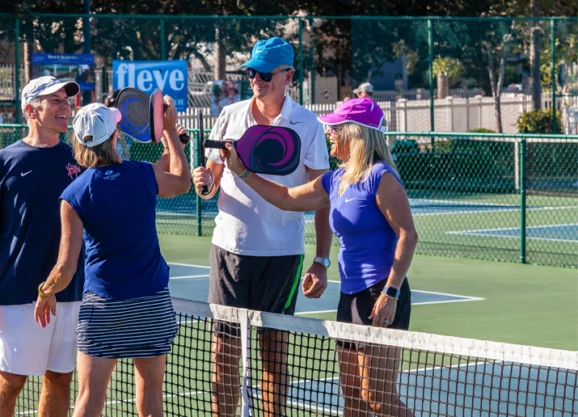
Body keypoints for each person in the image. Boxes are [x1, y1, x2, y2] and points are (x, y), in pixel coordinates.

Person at [223, 97, 417, 417]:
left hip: (381, 293)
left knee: (377, 397)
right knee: (353, 399)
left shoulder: (382, 178)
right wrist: (242, 172)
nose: (329, 133)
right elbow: (285, 198)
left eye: (334, 128)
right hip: (351, 296)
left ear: (355, 133)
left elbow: (408, 235)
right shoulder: (335, 179)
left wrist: (391, 292)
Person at [191, 36, 332, 417]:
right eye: (252, 72)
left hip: (282, 256)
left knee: (273, 352)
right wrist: (203, 182)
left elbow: (323, 196)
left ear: (288, 76)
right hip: (228, 249)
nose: (256, 79)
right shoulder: (229, 115)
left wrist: (322, 259)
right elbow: (211, 184)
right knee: (223, 348)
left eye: (266, 73)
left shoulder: (308, 124)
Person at [34, 98, 190, 417]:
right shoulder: (144, 174)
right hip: (151, 306)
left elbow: (65, 268)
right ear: (116, 135)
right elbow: (182, 182)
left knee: (90, 398)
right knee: (151, 399)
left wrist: (45, 292)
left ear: (78, 141)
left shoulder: (75, 194)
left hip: (103, 311)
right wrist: (172, 134)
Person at [0, 75, 84, 417]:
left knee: (60, 378)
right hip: (19, 293)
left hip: (72, 291)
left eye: (67, 100)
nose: (65, 106)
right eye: (55, 100)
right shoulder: (2, 162)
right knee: (12, 379)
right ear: (31, 110)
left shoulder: (81, 158)